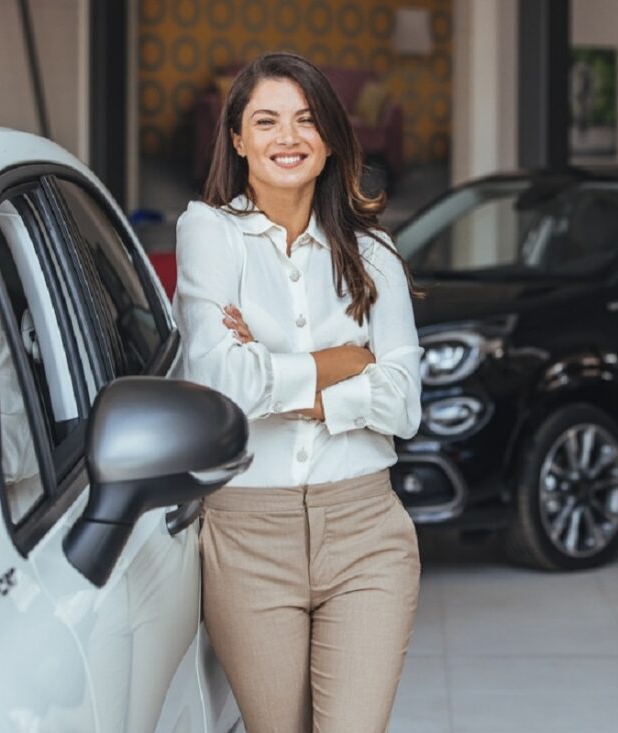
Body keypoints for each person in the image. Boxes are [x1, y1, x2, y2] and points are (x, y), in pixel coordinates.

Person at [172, 52, 423, 733]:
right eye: (267, 120)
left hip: (366, 530)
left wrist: (274, 368)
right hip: (249, 536)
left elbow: (403, 405)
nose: (288, 137)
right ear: (237, 138)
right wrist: (346, 360)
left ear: (333, 138)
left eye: (307, 120)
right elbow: (220, 383)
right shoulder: (209, 232)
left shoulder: (375, 256)